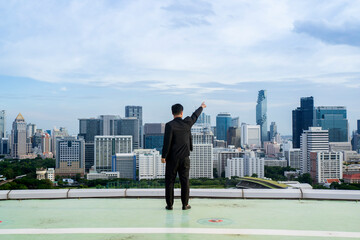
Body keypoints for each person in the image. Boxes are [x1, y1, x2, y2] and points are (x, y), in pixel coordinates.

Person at [161, 102, 207, 210]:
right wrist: (201, 107)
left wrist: (164, 156)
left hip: (172, 158)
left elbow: (166, 142)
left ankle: (170, 205)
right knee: (185, 181)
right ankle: (185, 204)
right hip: (185, 158)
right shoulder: (187, 123)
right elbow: (195, 116)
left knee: (170, 182)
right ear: (182, 112)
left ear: (172, 113)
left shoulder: (169, 125)